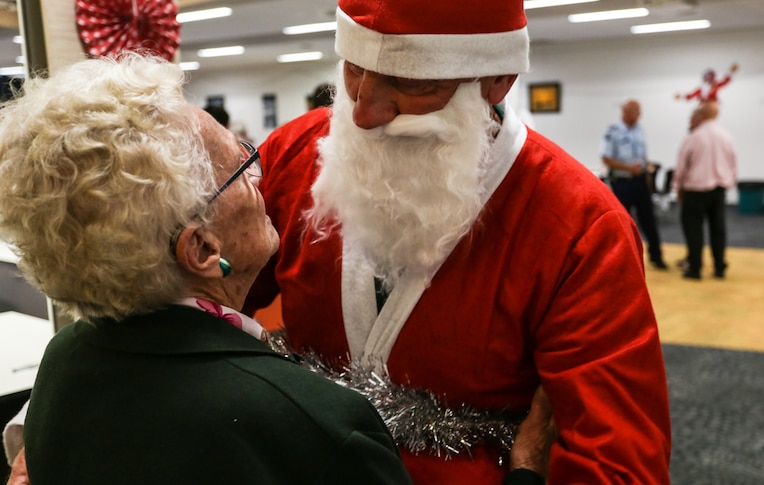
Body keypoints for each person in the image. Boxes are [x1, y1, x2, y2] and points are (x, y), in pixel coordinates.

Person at [244, 0, 672, 483]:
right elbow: (197, 306)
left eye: (408, 81)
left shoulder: (580, 225)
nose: (363, 112)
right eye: (354, 69)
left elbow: (617, 462)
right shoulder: (295, 153)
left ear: (498, 79)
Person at [0, 54, 413, 484]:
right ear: (201, 248)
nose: (260, 178)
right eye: (241, 166)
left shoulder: (63, 360)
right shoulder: (313, 422)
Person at [672, 102, 738, 280]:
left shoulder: (694, 137)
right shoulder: (726, 135)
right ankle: (719, 267)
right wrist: (729, 182)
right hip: (719, 189)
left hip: (695, 190)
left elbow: (682, 165)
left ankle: (695, 268)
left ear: (700, 116)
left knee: (694, 229)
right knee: (718, 229)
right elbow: (733, 162)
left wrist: (678, 186)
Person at [601, 99, 669, 270]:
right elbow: (606, 158)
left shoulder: (640, 131)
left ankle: (656, 256)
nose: (640, 116)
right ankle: (620, 260)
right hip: (622, 183)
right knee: (622, 222)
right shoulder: (613, 132)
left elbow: (643, 156)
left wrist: (647, 175)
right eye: (636, 112)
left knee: (649, 220)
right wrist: (628, 168)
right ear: (626, 112)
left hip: (640, 182)